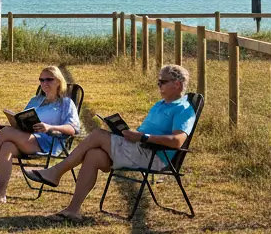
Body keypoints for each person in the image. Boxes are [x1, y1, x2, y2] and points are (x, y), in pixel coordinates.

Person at [27, 64, 197, 222]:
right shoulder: (160, 105)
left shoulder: (183, 109)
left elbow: (177, 141)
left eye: (162, 82)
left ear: (176, 84)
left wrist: (143, 137)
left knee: (98, 134)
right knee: (93, 155)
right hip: (139, 149)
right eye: (158, 81)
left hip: (153, 156)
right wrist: (128, 133)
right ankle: (73, 209)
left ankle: (56, 172)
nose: (158, 85)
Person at [0, 66, 80, 204]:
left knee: (6, 133)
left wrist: (50, 127)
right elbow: (23, 118)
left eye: (49, 79)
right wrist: (16, 123)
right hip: (28, 138)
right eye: (41, 80)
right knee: (7, 146)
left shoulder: (65, 103)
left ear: (59, 81)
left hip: (49, 142)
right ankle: (1, 195)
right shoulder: (35, 100)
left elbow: (73, 128)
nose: (44, 83)